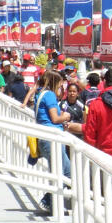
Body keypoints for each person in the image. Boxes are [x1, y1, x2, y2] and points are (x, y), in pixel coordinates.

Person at [33, 70, 72, 212]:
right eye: (61, 84)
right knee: (62, 174)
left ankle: (52, 201)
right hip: (52, 139)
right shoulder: (49, 95)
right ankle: (50, 202)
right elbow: (55, 118)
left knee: (66, 173)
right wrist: (66, 116)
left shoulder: (40, 93)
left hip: (46, 137)